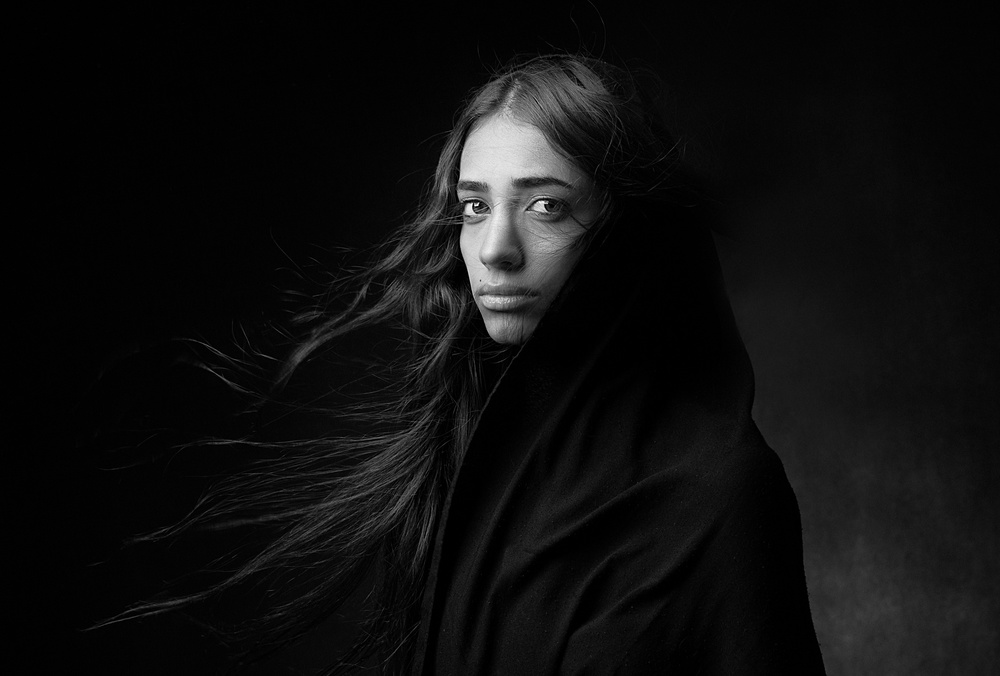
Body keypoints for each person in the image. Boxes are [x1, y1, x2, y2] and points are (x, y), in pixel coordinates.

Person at [107, 54, 826, 674]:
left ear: (629, 229)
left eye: (546, 206)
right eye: (475, 207)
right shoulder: (463, 465)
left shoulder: (724, 492)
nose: (495, 250)